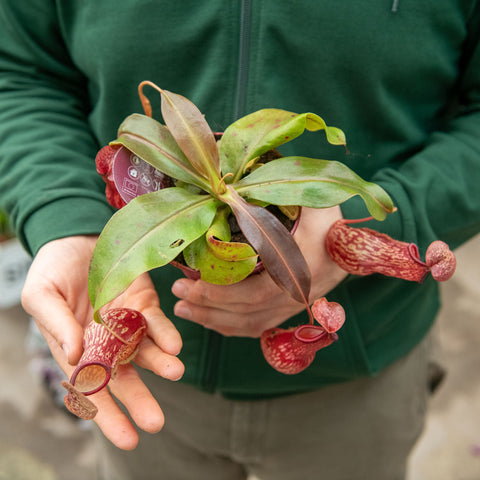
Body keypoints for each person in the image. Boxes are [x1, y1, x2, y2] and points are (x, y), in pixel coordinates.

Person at [1, 2, 479, 479]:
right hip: (157, 363)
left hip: (359, 375)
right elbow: (22, 70)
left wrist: (372, 225)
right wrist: (66, 219)